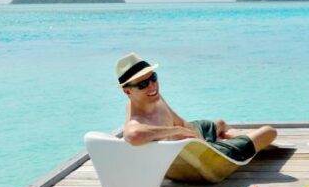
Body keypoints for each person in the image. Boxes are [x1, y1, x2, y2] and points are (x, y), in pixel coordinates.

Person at [116, 53, 277, 161]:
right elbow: (133, 135)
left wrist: (192, 133)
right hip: (201, 158)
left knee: (219, 122)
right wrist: (178, 131)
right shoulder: (135, 121)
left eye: (153, 78)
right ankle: (240, 139)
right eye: (143, 84)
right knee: (269, 131)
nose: (152, 86)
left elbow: (178, 121)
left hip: (193, 136)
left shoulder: (151, 96)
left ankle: (230, 136)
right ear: (127, 91)